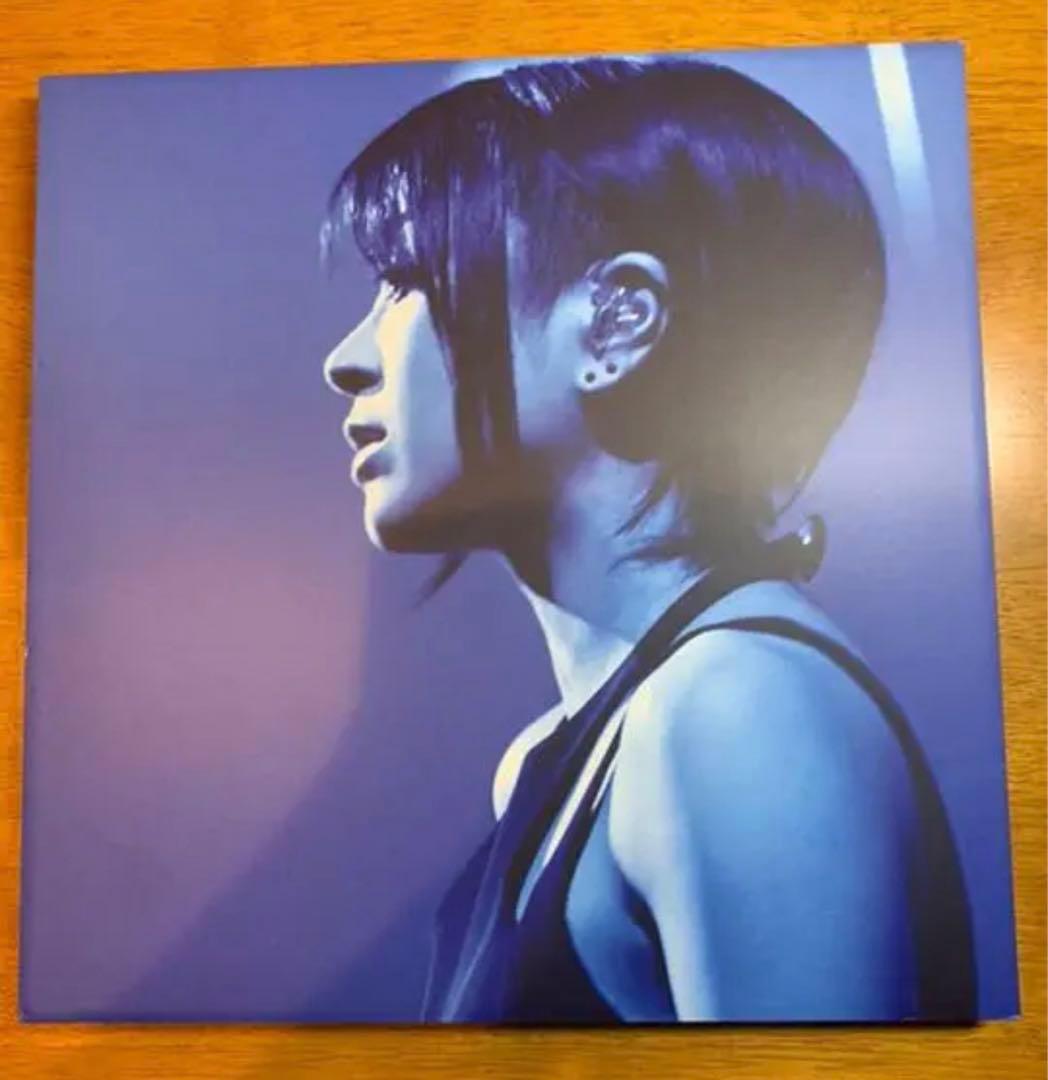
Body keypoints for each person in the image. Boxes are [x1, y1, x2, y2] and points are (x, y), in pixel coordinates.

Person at [319, 56, 975, 1023]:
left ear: (618, 323)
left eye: (408, 280)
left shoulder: (736, 709)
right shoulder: (558, 758)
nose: (345, 360)